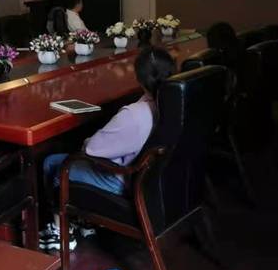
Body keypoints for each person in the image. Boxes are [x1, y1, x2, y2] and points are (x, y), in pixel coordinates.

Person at [38, 46, 176, 252]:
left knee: (54, 164)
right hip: (148, 179)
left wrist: (87, 141)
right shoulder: (171, 105)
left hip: (120, 180)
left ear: (139, 79)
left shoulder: (135, 114)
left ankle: (60, 232)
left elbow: (92, 149)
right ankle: (84, 221)